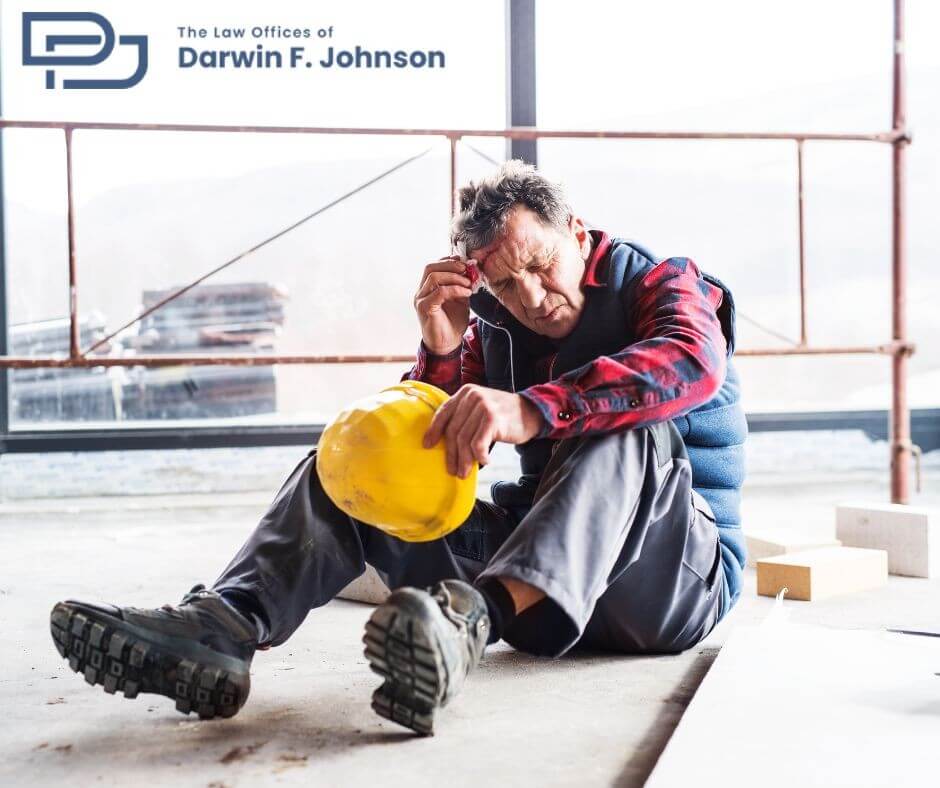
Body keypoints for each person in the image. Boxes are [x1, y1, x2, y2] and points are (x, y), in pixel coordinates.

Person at [49, 161, 747, 736]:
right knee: (356, 459)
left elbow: (690, 360)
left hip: (667, 587)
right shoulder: (497, 326)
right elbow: (423, 453)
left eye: (541, 262)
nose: (531, 296)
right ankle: (225, 626)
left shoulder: (664, 283)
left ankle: (468, 623)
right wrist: (441, 353)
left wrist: (534, 408)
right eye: (503, 284)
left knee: (624, 423)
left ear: (576, 230)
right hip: (536, 595)